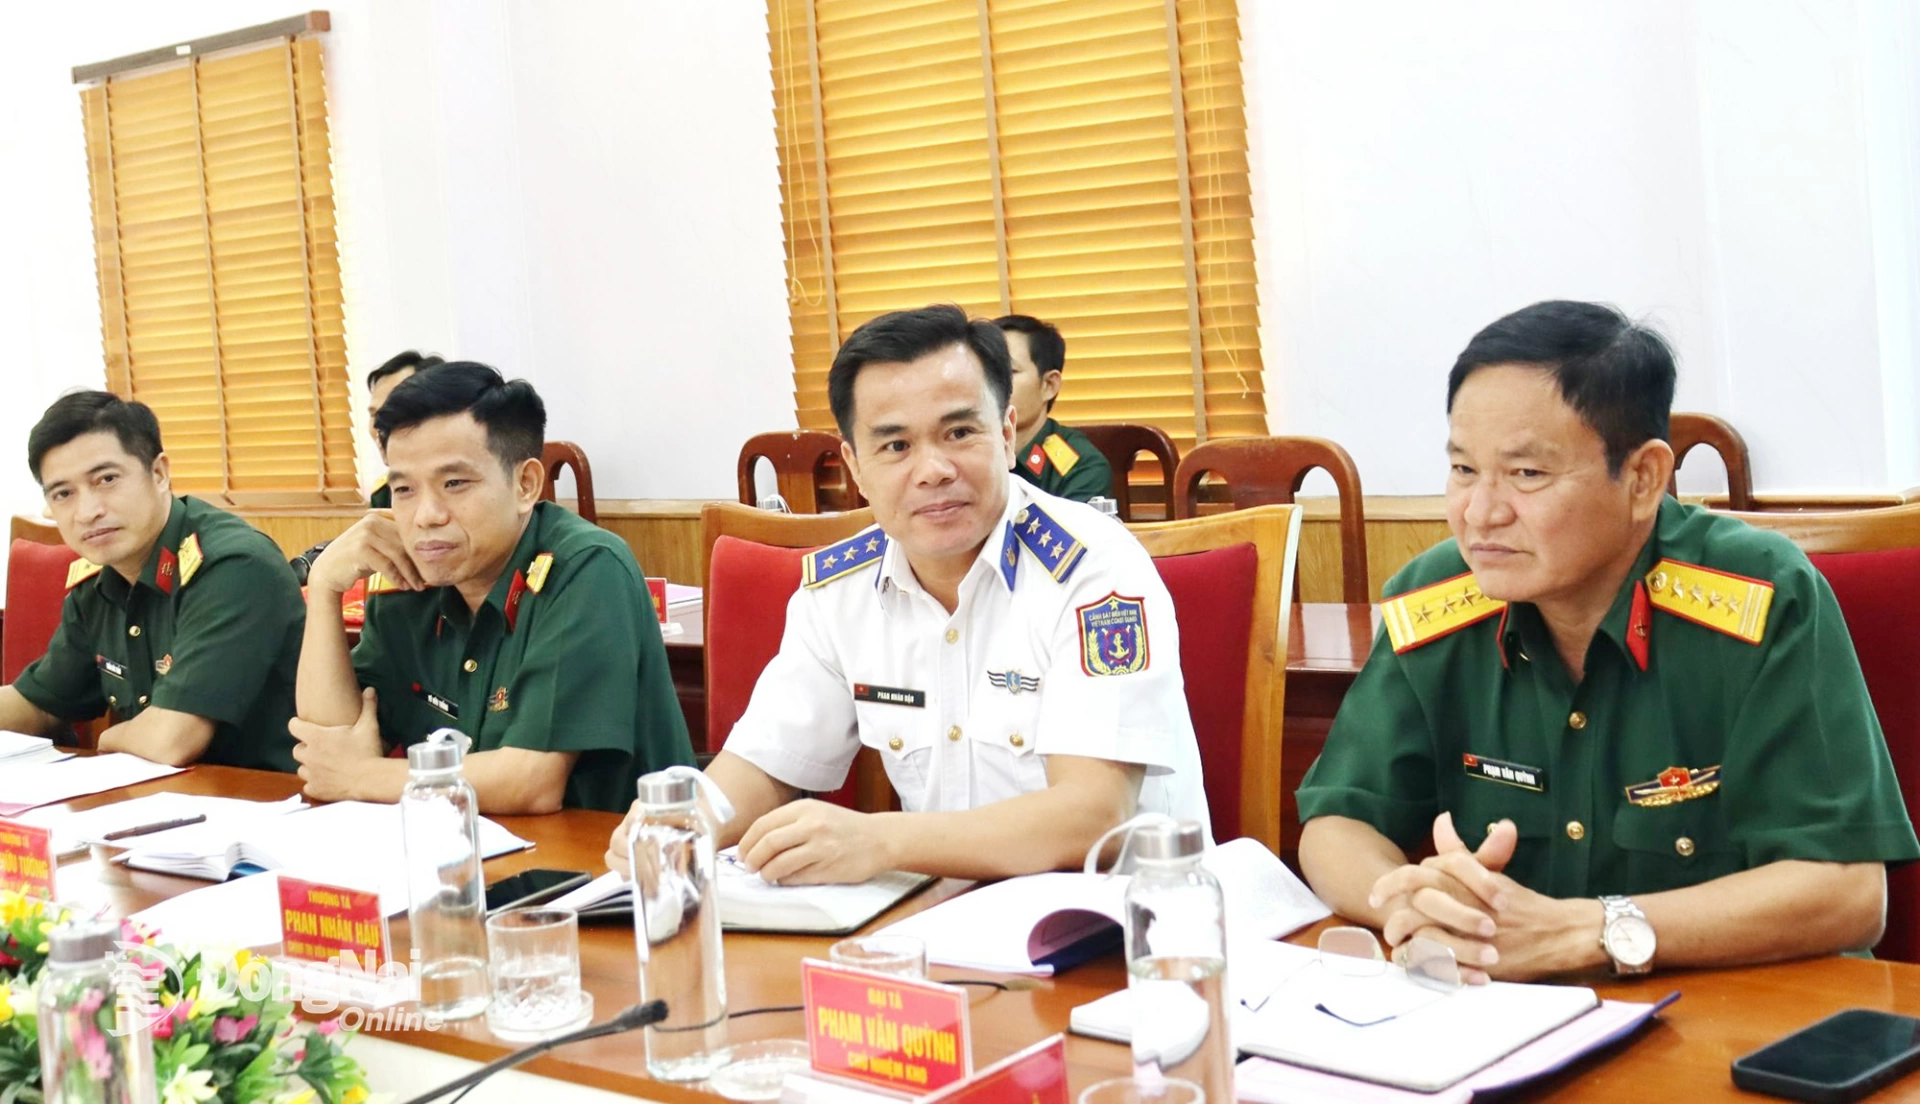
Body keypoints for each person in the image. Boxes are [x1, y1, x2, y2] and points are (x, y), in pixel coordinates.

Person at [1294, 300, 1918, 984]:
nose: (1481, 513)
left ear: (1643, 478)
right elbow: (1337, 823)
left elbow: (1847, 895)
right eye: (1464, 470)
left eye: (1527, 474)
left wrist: (1590, 931)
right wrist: (1409, 901)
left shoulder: (1760, 599)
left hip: (1745, 1013)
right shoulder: (1436, 601)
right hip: (1516, 1020)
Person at [603, 304, 1208, 885]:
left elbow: (1094, 815)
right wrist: (685, 820)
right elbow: (766, 760)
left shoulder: (1093, 569)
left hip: (1121, 920)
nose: (933, 470)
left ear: (1006, 436)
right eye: (896, 446)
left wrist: (882, 841)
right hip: (942, 921)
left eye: (959, 432)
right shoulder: (840, 591)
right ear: (855, 466)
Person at [291, 362, 694, 814]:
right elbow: (326, 745)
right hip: (458, 843)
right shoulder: (407, 575)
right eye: (403, 490)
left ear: (525, 485)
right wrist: (324, 587)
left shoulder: (585, 568)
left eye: (454, 483)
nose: (426, 516)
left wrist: (360, 777)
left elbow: (533, 781)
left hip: (608, 851)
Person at [0, 392, 303, 770]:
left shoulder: (233, 566)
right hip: (166, 796)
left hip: (270, 796)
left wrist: (107, 740)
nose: (88, 512)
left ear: (159, 473)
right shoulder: (98, 582)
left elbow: (171, 741)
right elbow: (41, 704)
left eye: (107, 479)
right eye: (63, 493)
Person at [994, 315, 1113, 503]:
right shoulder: (963, 455)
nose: (990, 384)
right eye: (985, 372)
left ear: (1049, 385)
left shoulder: (1081, 467)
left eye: (1008, 372)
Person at [364, 351, 445, 509]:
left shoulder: (465, 482)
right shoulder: (384, 495)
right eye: (375, 415)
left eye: (391, 412)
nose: (378, 427)